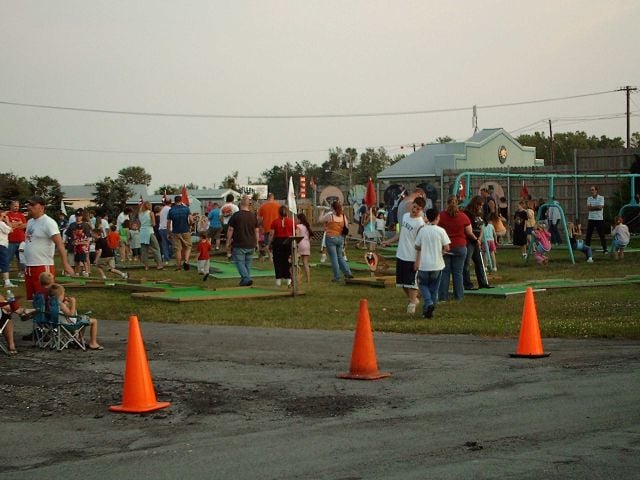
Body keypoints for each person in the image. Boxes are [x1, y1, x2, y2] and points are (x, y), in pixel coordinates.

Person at [22, 196, 75, 302]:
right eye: (28, 205)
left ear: (41, 207)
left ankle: (51, 317)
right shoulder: (30, 222)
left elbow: (60, 244)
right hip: (29, 266)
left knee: (47, 299)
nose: (29, 207)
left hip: (42, 265)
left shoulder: (48, 222)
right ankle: (39, 318)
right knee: (34, 299)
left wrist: (65, 264)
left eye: (32, 205)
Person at [381, 196, 426, 314]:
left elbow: (420, 244)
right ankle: (414, 299)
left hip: (412, 256)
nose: (415, 210)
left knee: (411, 282)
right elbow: (400, 233)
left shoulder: (420, 223)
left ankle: (412, 303)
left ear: (421, 210)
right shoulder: (405, 216)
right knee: (401, 283)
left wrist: (417, 260)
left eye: (418, 209)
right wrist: (388, 242)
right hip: (401, 253)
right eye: (414, 206)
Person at [414, 208, 450, 319]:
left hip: (424, 265)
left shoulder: (423, 230)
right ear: (437, 217)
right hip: (437, 264)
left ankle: (428, 305)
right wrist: (442, 252)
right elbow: (447, 247)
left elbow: (417, 246)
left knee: (423, 285)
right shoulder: (441, 231)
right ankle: (430, 309)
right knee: (434, 288)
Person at [437, 195, 472, 302]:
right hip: (460, 247)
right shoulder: (463, 216)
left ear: (447, 203)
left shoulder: (441, 216)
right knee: (458, 273)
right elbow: (469, 232)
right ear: (457, 203)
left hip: (446, 247)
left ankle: (443, 297)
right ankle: (459, 296)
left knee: (445, 272)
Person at [48, 283, 103, 350]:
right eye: (63, 294)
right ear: (59, 296)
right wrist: (73, 303)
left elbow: (63, 313)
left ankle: (78, 339)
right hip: (68, 325)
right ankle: (93, 343)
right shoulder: (61, 304)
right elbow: (72, 314)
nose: (64, 295)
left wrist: (66, 305)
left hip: (58, 323)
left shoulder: (51, 303)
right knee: (93, 321)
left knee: (83, 319)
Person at [226, 195, 259, 287]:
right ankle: (245, 281)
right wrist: (257, 243)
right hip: (251, 243)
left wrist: (228, 242)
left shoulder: (236, 215)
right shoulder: (253, 216)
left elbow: (230, 230)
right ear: (249, 204)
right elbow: (256, 230)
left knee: (239, 263)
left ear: (240, 204)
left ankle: (246, 278)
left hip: (240, 243)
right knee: (247, 263)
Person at [318, 200, 353, 283]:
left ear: (332, 208)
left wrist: (321, 212)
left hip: (331, 238)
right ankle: (348, 273)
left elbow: (320, 220)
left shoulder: (330, 216)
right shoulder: (343, 216)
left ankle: (337, 277)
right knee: (340, 256)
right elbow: (346, 227)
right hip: (340, 238)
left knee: (334, 258)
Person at [463, 196, 492, 290]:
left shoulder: (480, 214)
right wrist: (475, 239)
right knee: (466, 262)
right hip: (469, 240)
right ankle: (467, 284)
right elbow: (468, 229)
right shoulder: (467, 213)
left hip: (477, 240)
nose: (480, 207)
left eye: (482, 205)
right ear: (475, 204)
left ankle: (482, 282)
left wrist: (479, 239)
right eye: (479, 204)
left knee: (479, 262)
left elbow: (482, 227)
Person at [268, 205, 295, 287]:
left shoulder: (275, 222)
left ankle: (278, 280)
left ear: (279, 213)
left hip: (278, 243)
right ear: (287, 212)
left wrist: (269, 243)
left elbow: (271, 234)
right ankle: (288, 280)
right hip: (288, 242)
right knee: (288, 261)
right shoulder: (291, 222)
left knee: (278, 261)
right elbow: (296, 232)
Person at [167, 195, 193, 270]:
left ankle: (178, 266)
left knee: (177, 249)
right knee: (188, 247)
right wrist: (190, 225)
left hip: (175, 232)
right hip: (185, 230)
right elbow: (191, 220)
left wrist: (169, 233)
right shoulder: (186, 209)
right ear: (181, 201)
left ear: (174, 202)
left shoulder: (171, 210)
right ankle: (186, 261)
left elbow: (168, 223)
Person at [6, 200, 27, 279]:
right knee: (8, 258)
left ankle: (21, 272)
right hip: (10, 240)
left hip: (21, 240)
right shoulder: (7, 214)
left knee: (21, 258)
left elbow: (24, 225)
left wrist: (13, 225)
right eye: (15, 206)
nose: (16, 208)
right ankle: (5, 272)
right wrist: (18, 224)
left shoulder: (21, 215)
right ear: (11, 206)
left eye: (18, 206)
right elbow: (7, 225)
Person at [257, 193, 281, 260]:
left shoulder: (262, 207)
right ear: (273, 198)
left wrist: (260, 225)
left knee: (267, 242)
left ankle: (269, 256)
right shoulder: (278, 206)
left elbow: (259, 218)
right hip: (276, 228)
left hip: (266, 227)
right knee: (275, 243)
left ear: (267, 198)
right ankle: (274, 255)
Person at [586, 185, 607, 254]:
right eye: (591, 190)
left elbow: (600, 207)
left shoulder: (601, 198)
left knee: (601, 235)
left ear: (596, 190)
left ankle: (605, 249)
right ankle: (587, 250)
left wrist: (593, 207)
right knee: (588, 235)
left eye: (592, 190)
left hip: (599, 219)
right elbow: (589, 208)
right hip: (591, 218)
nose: (591, 191)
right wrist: (596, 207)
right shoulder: (589, 198)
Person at [295, 213, 313, 283]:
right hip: (307, 244)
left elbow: (297, 236)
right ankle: (308, 279)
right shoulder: (307, 226)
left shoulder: (298, 226)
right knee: (305, 263)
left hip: (300, 244)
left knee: (296, 262)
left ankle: (297, 278)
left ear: (299, 219)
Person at [0, 210, 14, 288]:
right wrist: (7, 221)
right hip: (1, 245)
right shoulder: (1, 224)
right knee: (4, 263)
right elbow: (11, 230)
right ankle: (7, 282)